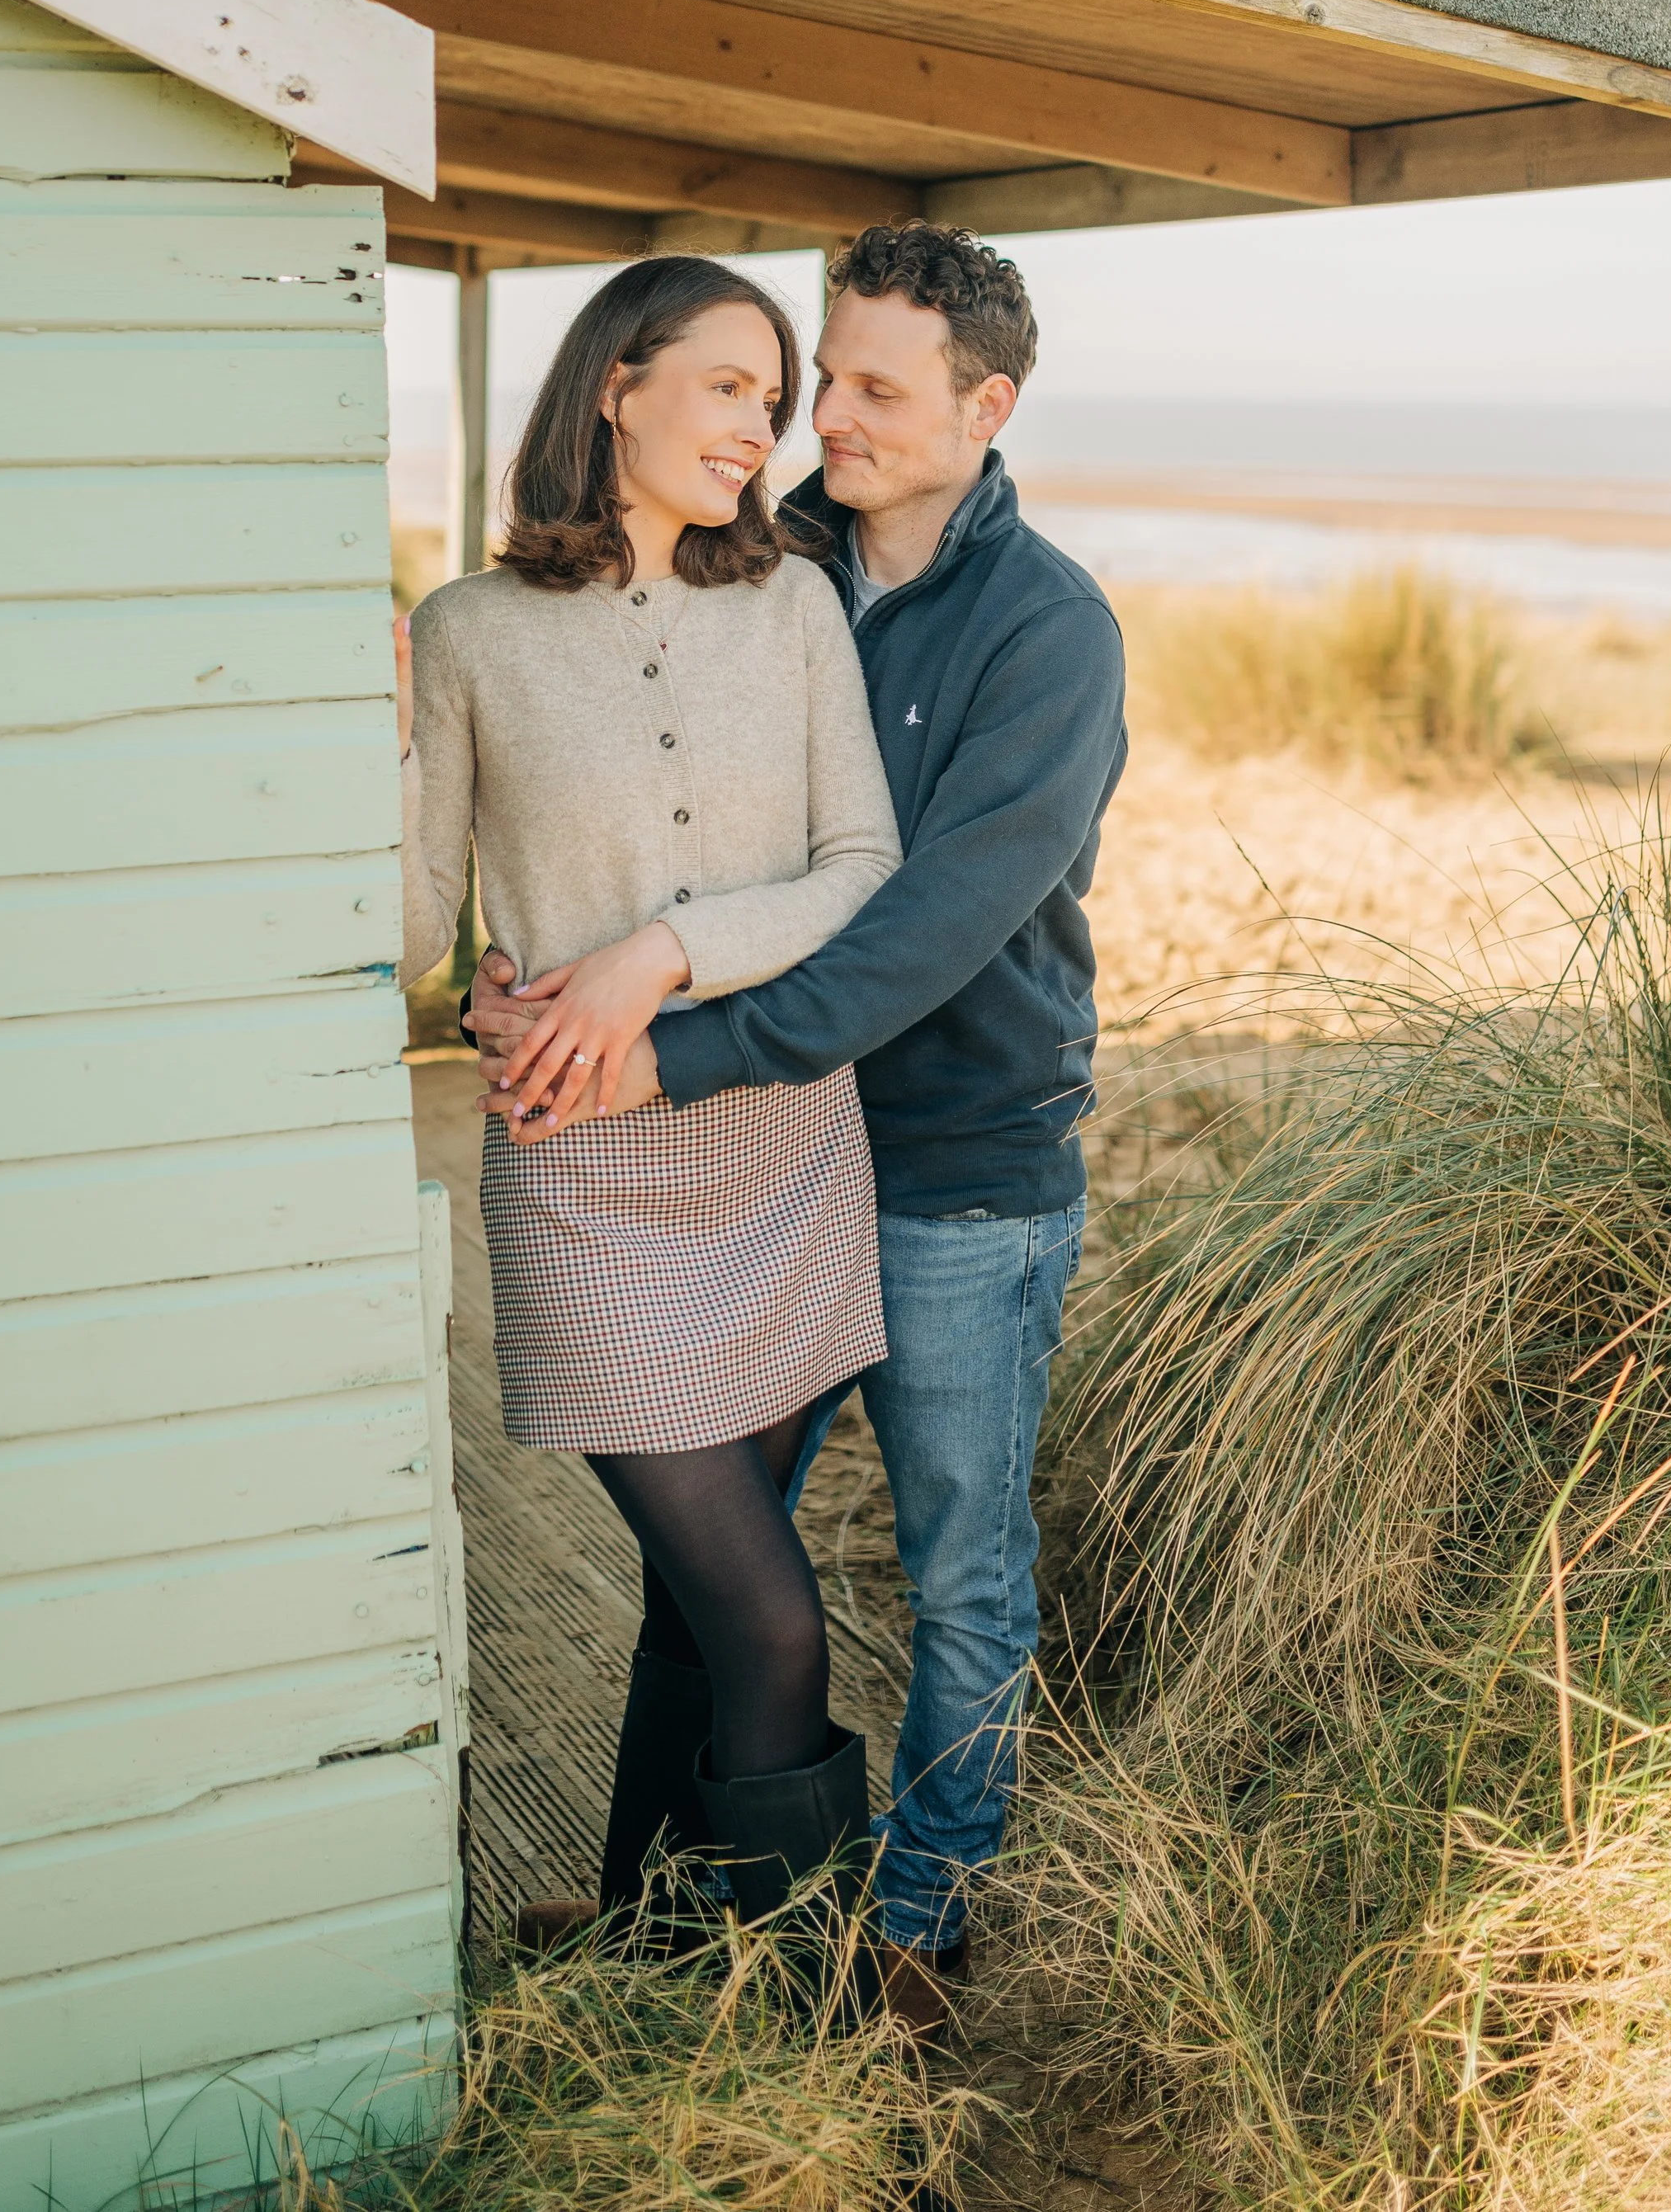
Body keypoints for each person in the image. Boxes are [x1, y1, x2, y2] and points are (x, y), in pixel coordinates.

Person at [476, 223, 1127, 2029]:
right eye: (810, 377)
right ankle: (661, 1913)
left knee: (956, 1564)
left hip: (955, 1173)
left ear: (984, 409)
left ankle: (913, 1922)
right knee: (717, 1567)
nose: (813, 417)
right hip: (769, 1155)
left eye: (865, 389)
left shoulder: (1048, 633)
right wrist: (518, 968)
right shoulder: (780, 567)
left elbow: (917, 922)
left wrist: (665, 1053)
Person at [398, 254, 902, 1971]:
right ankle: (800, 2043)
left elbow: (862, 869)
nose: (763, 428)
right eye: (730, 386)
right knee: (768, 1624)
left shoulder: (794, 608)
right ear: (616, 382)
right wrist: (468, 954)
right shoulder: (465, 632)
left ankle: (647, 1952)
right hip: (583, 1173)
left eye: (775, 397)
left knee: (701, 1622)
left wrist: (656, 957)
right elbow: (412, 929)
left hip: (777, 1151)